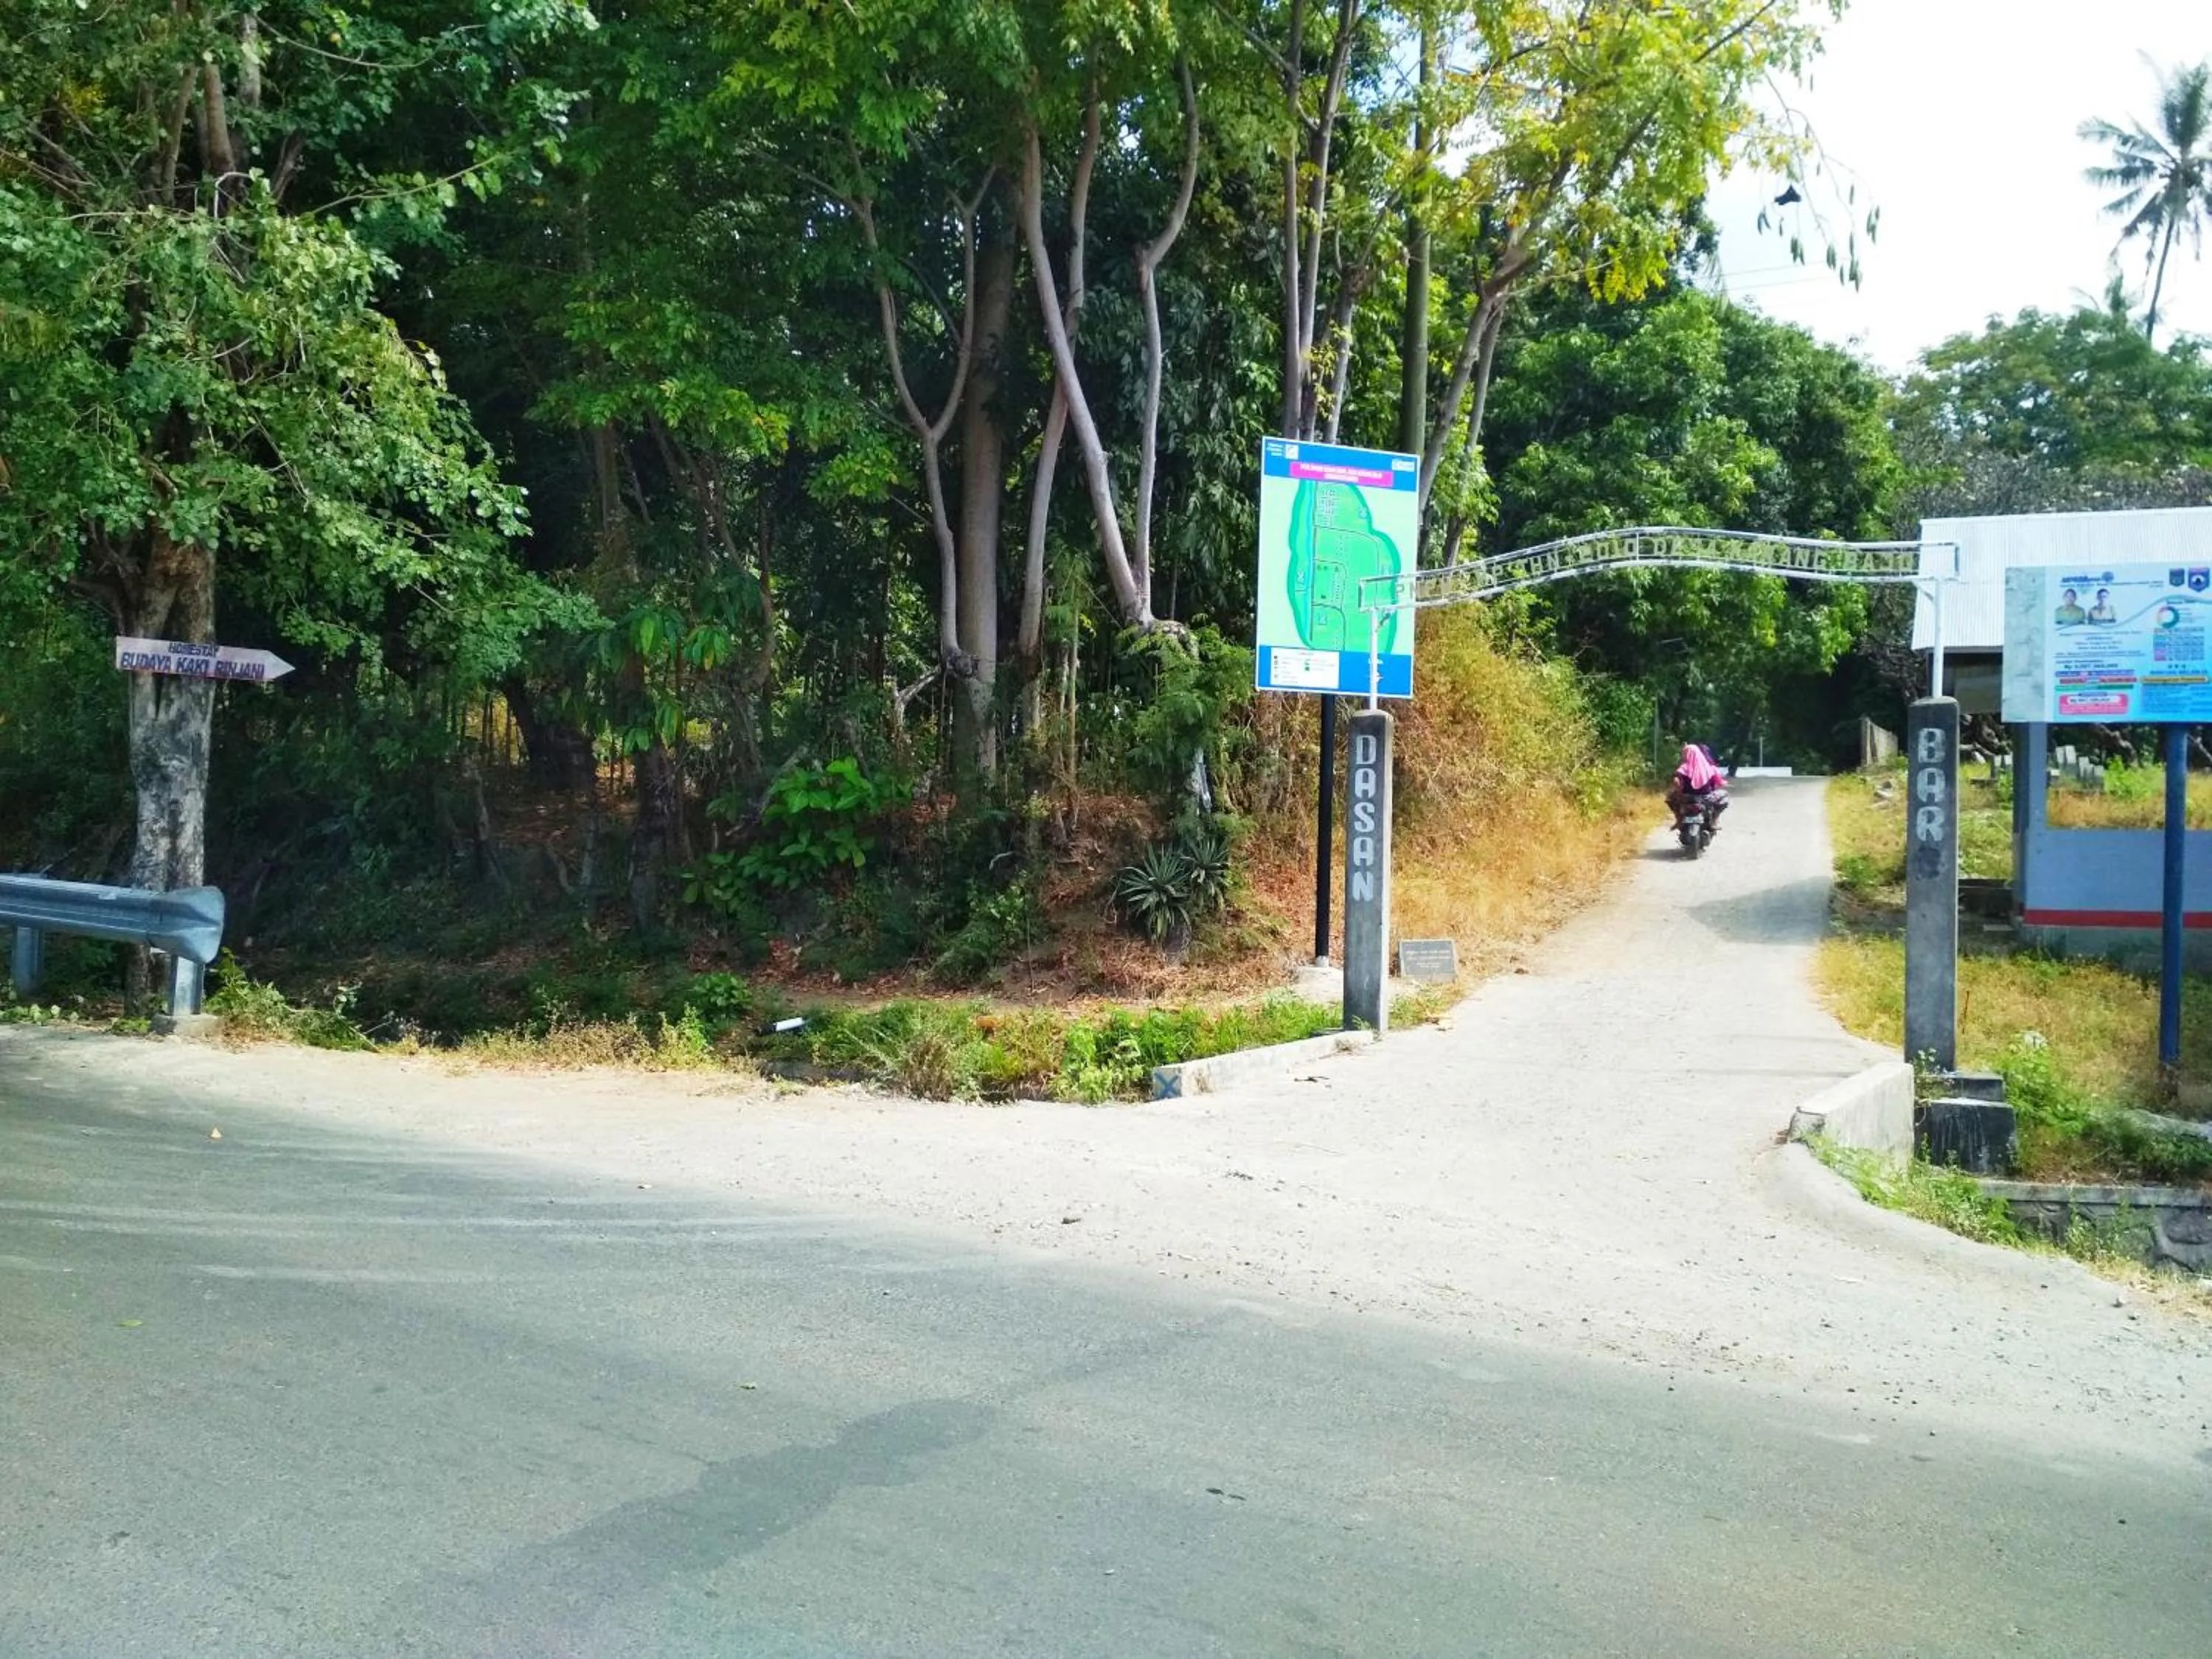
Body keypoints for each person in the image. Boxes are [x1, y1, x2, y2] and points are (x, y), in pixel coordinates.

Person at [1666, 742, 1729, 832]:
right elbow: (1719, 782)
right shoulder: (1709, 768)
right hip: (1706, 799)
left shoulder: (1683, 768)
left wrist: (1679, 791)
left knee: (1670, 797)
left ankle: (1679, 819)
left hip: (1686, 798)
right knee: (1725, 796)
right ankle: (1714, 820)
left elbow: (1676, 781)